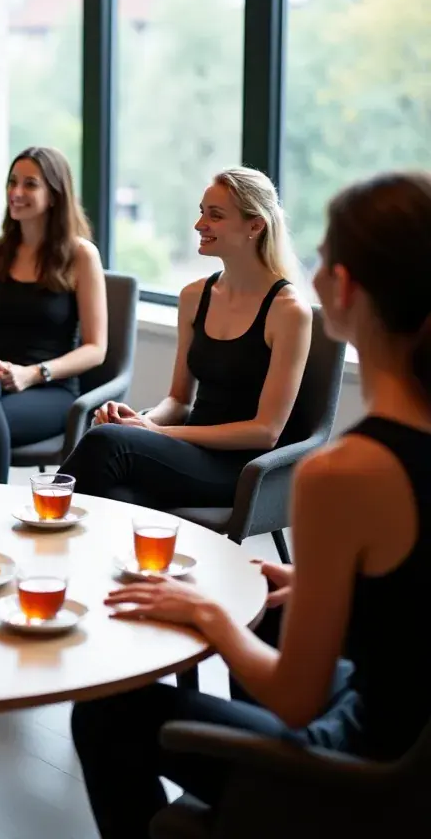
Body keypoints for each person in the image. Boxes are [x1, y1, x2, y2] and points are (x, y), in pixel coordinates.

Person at [71, 170, 431, 838]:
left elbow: (295, 697)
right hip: (410, 750)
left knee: (105, 715)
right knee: (268, 609)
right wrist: (315, 582)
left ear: (345, 287)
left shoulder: (344, 474)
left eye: (325, 258)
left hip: (362, 782)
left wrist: (208, 612)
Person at [60, 168, 312, 511]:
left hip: (242, 468)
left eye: (215, 216)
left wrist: (156, 432)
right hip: (189, 450)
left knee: (107, 443)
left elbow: (265, 431)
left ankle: (42, 521)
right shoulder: (194, 296)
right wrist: (139, 421)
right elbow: (178, 400)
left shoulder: (289, 311)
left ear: (255, 226)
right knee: (112, 480)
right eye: (201, 212)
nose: (199, 225)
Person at [0, 146, 107, 483]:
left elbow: (96, 349)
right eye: (12, 182)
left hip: (51, 389)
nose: (16, 192)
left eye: (30, 184)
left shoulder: (81, 255)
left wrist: (33, 374)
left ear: (55, 195)